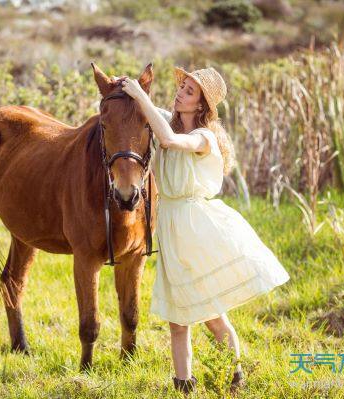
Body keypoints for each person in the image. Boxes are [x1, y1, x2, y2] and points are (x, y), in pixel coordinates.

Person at [112, 66, 290, 395]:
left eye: (189, 91)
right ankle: (184, 387)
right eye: (181, 86)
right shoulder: (167, 119)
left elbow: (168, 139)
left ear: (202, 104)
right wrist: (123, 89)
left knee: (211, 315)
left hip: (196, 227)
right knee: (178, 320)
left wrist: (140, 94)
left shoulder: (204, 138)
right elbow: (144, 118)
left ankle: (236, 379)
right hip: (172, 228)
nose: (180, 92)